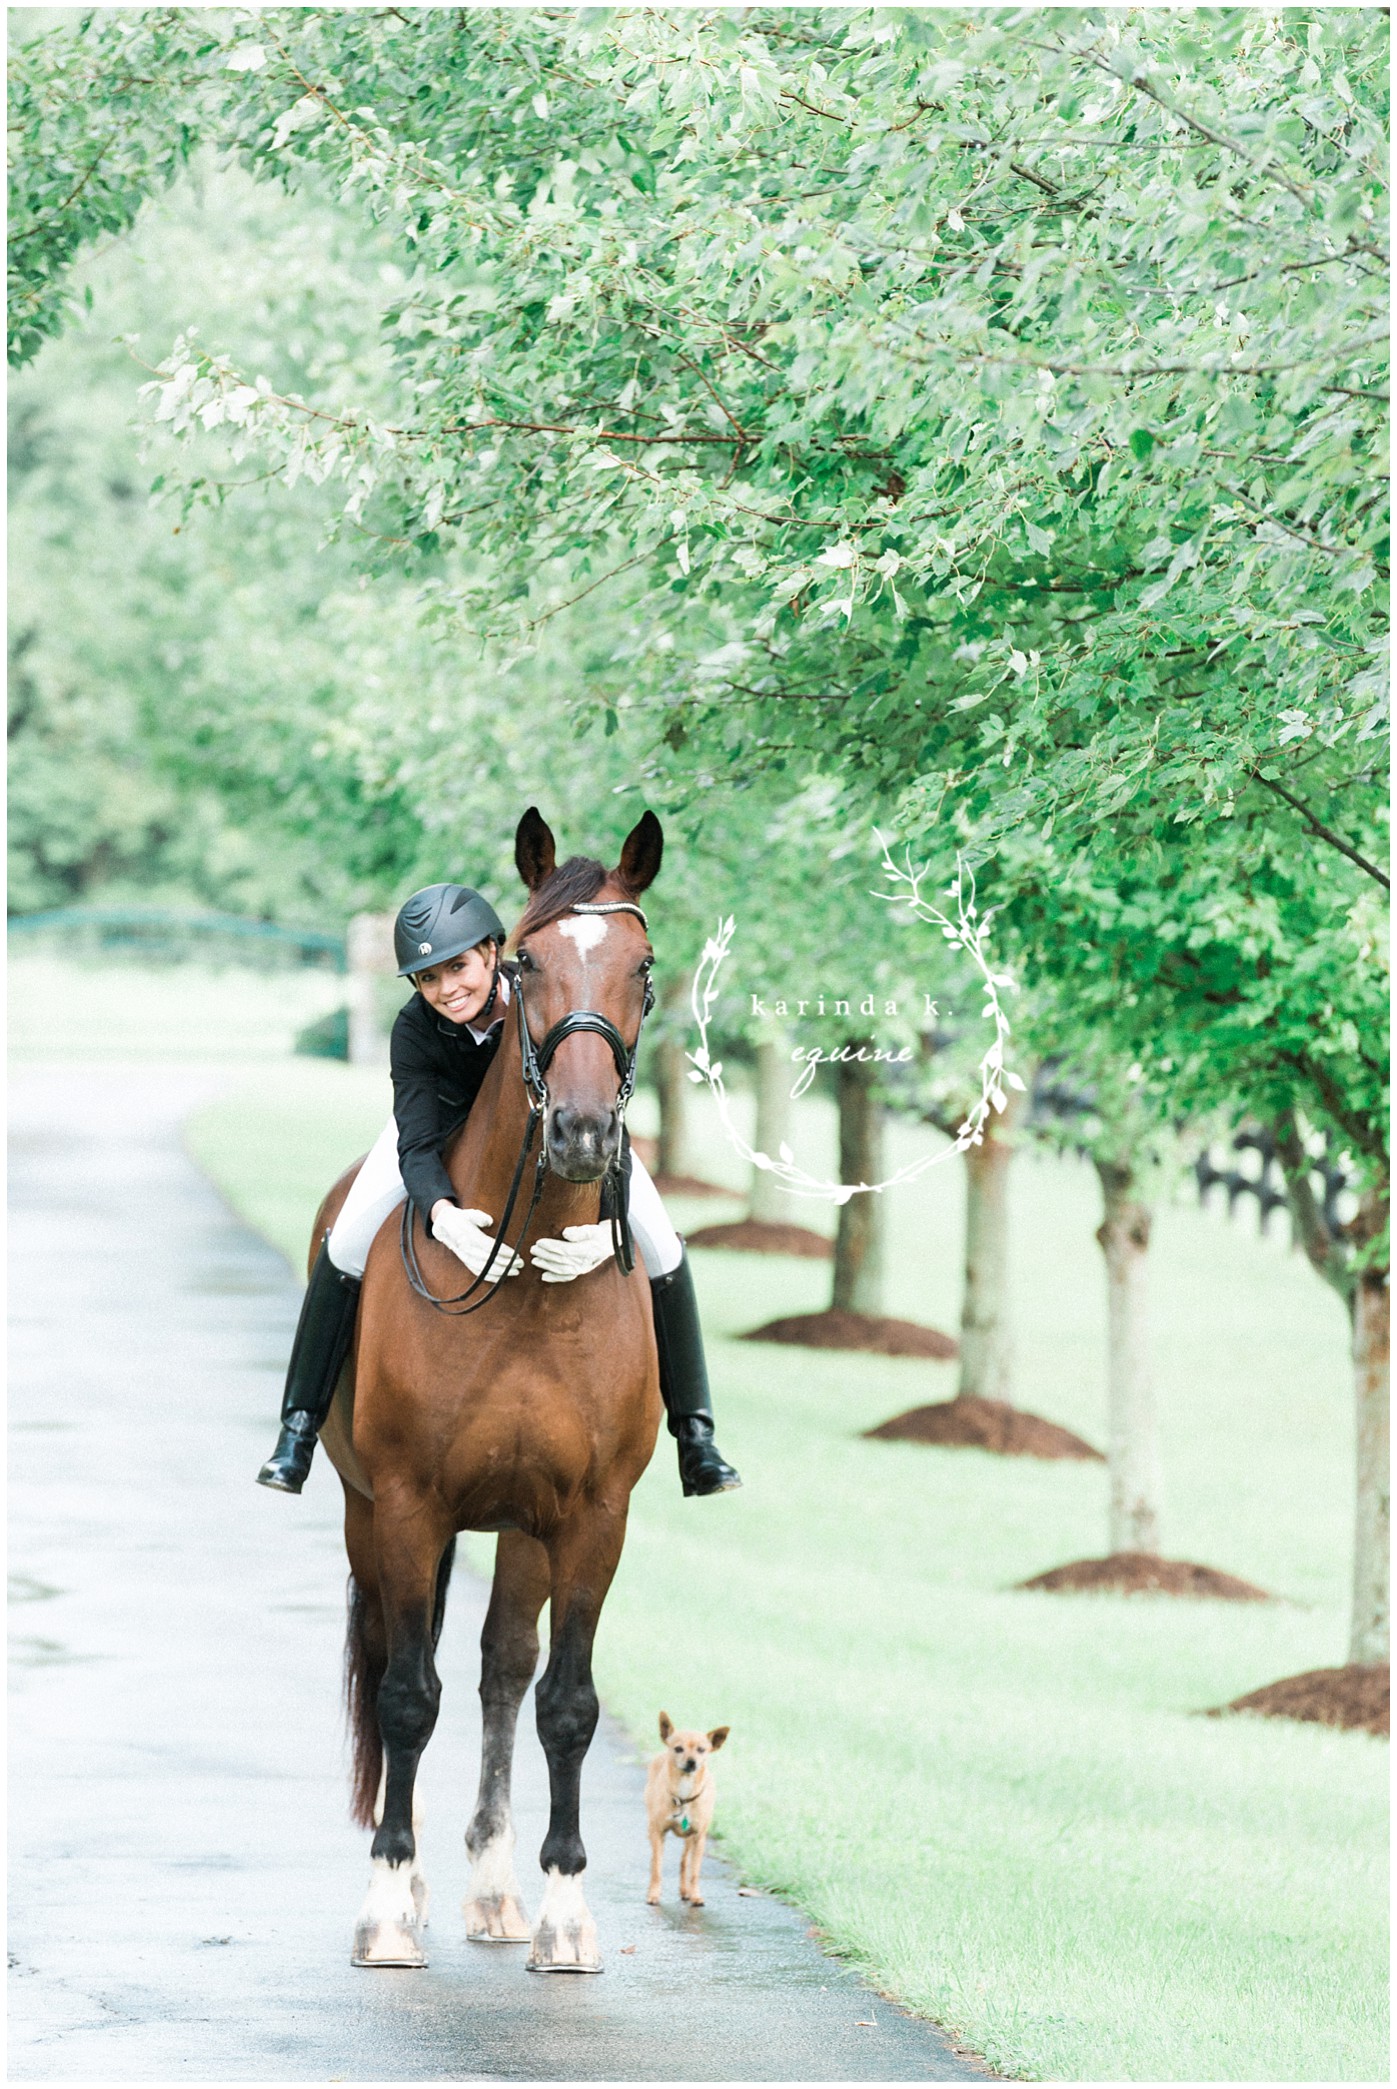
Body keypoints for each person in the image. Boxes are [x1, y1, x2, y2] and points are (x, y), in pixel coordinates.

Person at [257, 881, 742, 1501]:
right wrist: (442, 1215)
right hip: (434, 1132)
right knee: (346, 1240)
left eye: (457, 967)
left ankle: (696, 1438)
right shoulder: (414, 1030)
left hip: (550, 1128)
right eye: (428, 978)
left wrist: (613, 1226)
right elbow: (416, 1141)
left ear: (492, 953)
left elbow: (598, 1096)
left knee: (664, 1247)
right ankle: (298, 1429)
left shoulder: (542, 991)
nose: (446, 989)